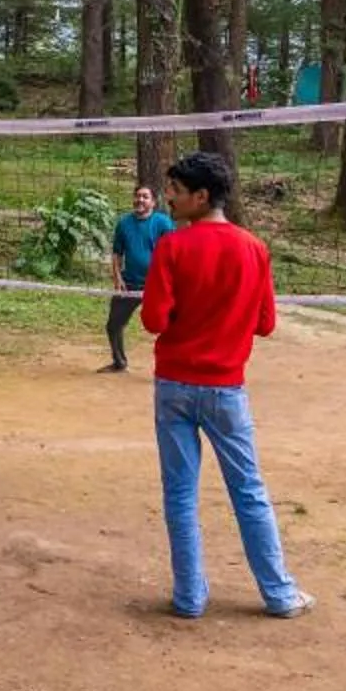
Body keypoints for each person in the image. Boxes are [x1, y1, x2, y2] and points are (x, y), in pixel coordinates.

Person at [142, 151, 312, 621]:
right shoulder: (254, 248)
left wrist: (186, 316)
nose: (168, 199)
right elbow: (266, 324)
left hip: (174, 385)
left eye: (175, 190)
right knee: (248, 490)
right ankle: (279, 595)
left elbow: (155, 320)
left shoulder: (172, 248)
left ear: (201, 196)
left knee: (180, 493)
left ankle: (189, 598)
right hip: (225, 390)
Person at [102, 180, 174, 373]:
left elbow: (171, 253)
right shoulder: (124, 223)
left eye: (145, 197)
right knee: (113, 325)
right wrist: (118, 277)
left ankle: (171, 367)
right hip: (130, 284)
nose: (140, 200)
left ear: (153, 202)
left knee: (170, 326)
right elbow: (117, 253)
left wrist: (167, 281)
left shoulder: (163, 222)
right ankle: (119, 362)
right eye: (137, 196)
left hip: (157, 285)